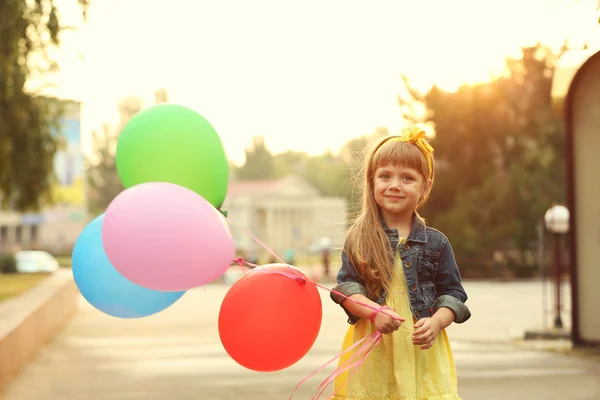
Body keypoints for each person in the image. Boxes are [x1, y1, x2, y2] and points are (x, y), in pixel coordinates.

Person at [329, 127, 471, 400]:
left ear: (425, 186)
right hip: (374, 350)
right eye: (385, 176)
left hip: (420, 350)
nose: (394, 184)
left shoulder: (436, 243)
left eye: (407, 178)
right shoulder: (359, 238)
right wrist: (373, 311)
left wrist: (437, 322)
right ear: (372, 182)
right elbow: (346, 289)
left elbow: (453, 295)